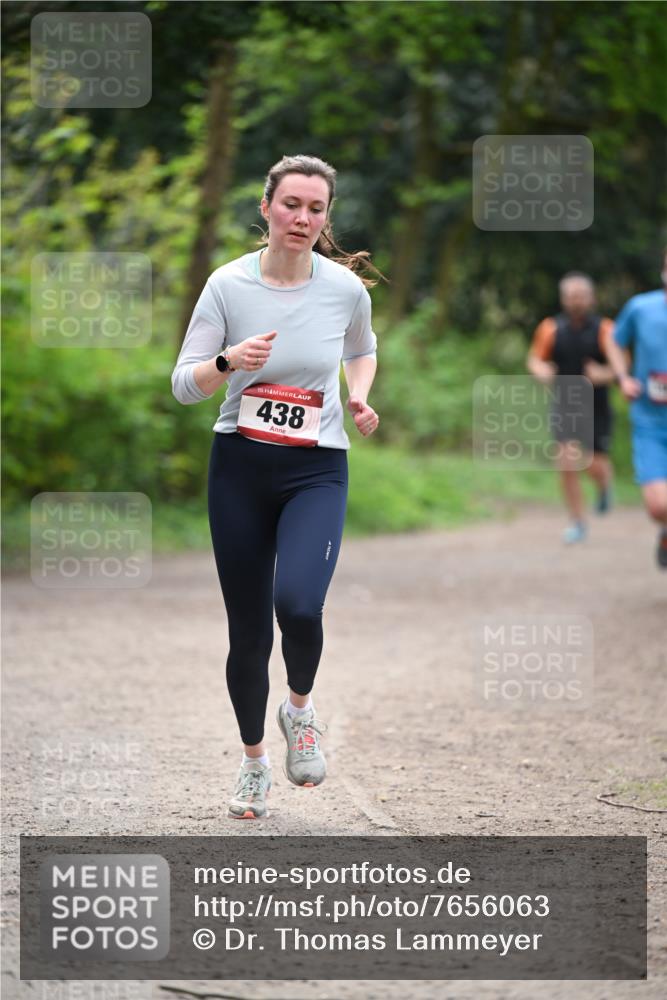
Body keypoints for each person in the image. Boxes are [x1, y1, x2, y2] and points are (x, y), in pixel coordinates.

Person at [171, 154, 384, 818]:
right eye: (291, 204)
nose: (302, 218)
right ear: (266, 208)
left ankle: (300, 710)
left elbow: (361, 347)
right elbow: (184, 385)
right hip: (238, 463)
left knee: (298, 605)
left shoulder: (344, 289)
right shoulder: (227, 285)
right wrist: (228, 361)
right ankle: (254, 762)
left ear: (326, 217)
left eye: (316, 209)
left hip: (315, 467)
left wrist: (358, 396)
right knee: (247, 632)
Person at [526, 272, 616, 544]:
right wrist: (541, 370)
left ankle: (604, 485)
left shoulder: (606, 329)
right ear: (563, 299)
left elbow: (621, 366)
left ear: (591, 298)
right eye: (571, 296)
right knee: (566, 462)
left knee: (593, 463)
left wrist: (604, 373)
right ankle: (577, 521)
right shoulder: (550, 328)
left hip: (597, 406)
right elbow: (534, 359)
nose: (576, 301)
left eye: (581, 296)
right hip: (564, 403)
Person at [605, 251, 667, 568]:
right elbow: (615, 341)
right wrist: (623, 377)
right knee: (658, 507)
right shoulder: (641, 308)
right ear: (663, 271)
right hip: (651, 421)